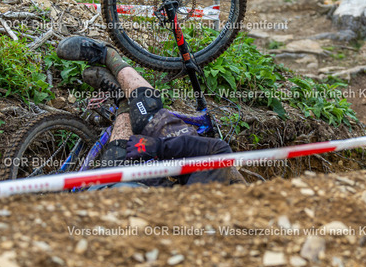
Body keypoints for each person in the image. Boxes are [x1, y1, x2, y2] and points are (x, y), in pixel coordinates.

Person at [55, 36, 245, 187]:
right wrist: (158, 147)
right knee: (147, 115)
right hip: (200, 168)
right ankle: (108, 55)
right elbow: (219, 149)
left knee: (113, 171)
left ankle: (124, 101)